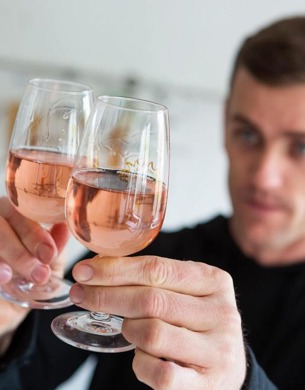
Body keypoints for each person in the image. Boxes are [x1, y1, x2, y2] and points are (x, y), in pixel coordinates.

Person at [0, 14, 305, 389]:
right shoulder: (150, 256)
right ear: (225, 125)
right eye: (247, 134)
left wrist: (244, 383)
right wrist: (5, 331)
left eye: (300, 146)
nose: (264, 176)